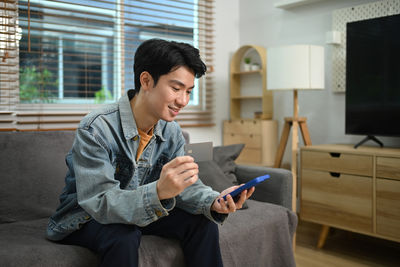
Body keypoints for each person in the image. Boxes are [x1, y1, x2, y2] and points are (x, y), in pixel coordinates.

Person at [46, 38, 255, 267]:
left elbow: (185, 187)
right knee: (122, 235)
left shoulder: (171, 131)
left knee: (202, 222)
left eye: (188, 91)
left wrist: (214, 200)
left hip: (139, 212)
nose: (183, 101)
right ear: (146, 80)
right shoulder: (95, 129)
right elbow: (100, 202)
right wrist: (158, 191)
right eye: (176, 88)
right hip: (86, 217)